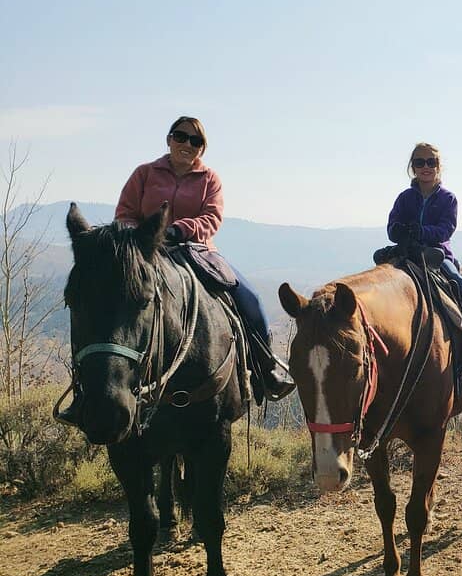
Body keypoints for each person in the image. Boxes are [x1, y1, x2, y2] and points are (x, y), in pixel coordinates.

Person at [56, 116, 294, 426]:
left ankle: (266, 370)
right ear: (169, 139)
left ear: (202, 148)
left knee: (248, 297)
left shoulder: (210, 179)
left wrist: (180, 231)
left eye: (195, 141)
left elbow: (212, 217)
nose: (187, 144)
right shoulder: (144, 173)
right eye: (181, 137)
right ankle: (87, 392)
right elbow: (126, 212)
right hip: (144, 252)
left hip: (197, 250)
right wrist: (138, 238)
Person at [386, 142, 462, 344]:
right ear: (413, 168)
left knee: (453, 275)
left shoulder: (448, 198)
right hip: (407, 251)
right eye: (420, 162)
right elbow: (392, 227)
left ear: (438, 166)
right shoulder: (404, 198)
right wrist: (399, 231)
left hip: (437, 253)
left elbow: (446, 229)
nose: (426, 167)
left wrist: (422, 232)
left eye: (431, 162)